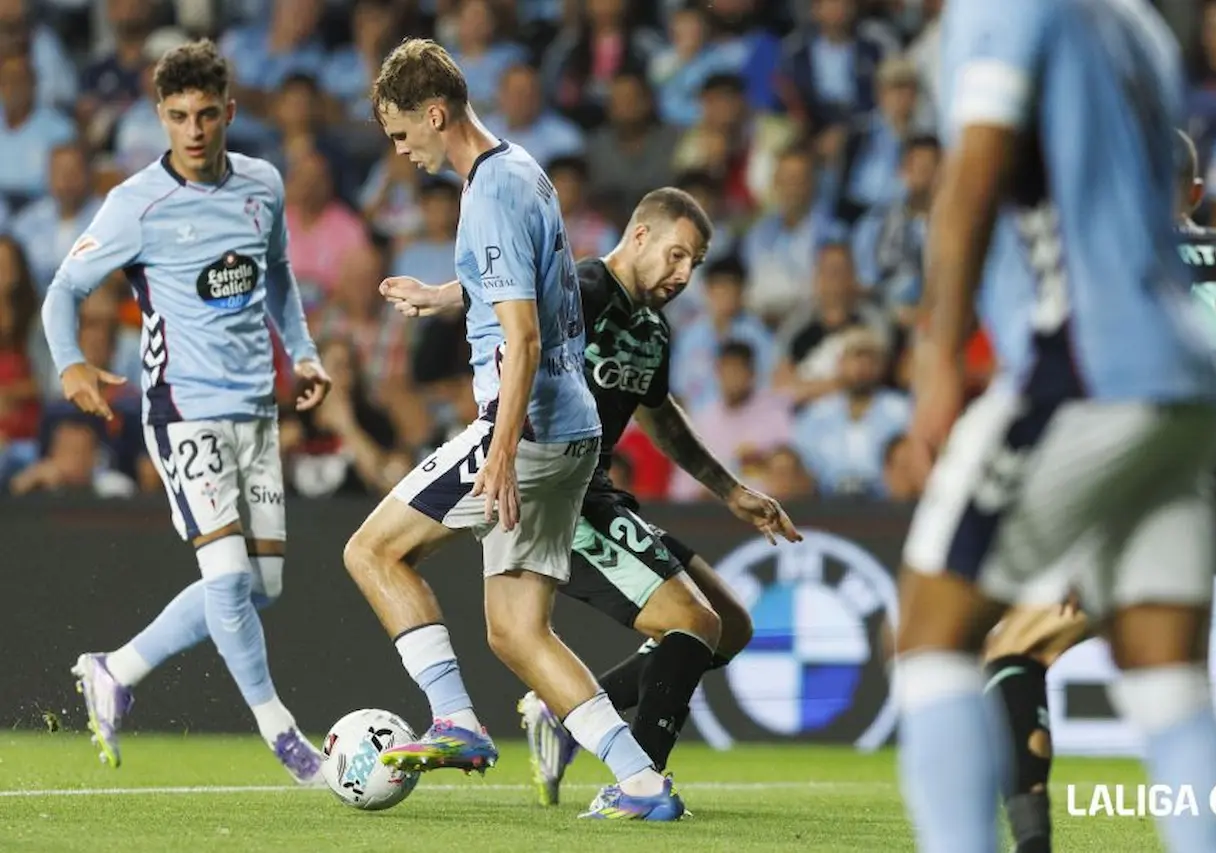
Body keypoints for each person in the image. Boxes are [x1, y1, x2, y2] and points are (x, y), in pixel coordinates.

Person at [896, 3, 1216, 852]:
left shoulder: (1004, 8)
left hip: (1080, 364)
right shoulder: (1137, 24)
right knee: (1168, 679)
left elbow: (976, 170)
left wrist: (939, 352)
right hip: (1184, 379)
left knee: (930, 631)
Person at [340, 38, 683, 822]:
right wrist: (446, 293)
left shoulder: (487, 193)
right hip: (575, 434)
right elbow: (536, 284)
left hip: (524, 429)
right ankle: (642, 783)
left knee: (371, 550)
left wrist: (498, 452)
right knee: (519, 632)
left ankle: (457, 720)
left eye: (401, 134)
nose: (402, 152)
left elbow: (524, 338)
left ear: (435, 113)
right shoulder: (521, 168)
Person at [383, 187, 801, 806]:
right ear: (639, 236)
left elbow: (660, 417)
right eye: (677, 255)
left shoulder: (652, 328)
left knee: (730, 626)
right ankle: (640, 783)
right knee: (693, 623)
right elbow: (517, 302)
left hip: (601, 494)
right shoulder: (590, 287)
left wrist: (730, 490)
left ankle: (562, 717)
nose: (683, 274)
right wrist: (440, 295)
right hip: (561, 492)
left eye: (695, 264)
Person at [981, 129, 1216, 853]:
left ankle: (1031, 843)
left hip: (1175, 477)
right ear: (1198, 194)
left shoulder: (1113, 267)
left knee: (1011, 648)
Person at [42, 40, 331, 782]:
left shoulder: (263, 185)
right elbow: (63, 292)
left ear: (230, 112)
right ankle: (285, 735)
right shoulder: (137, 203)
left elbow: (276, 277)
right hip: (183, 411)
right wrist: (71, 361)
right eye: (178, 116)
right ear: (160, 118)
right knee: (229, 577)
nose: (195, 129)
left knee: (259, 589)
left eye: (207, 114)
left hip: (256, 417)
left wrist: (302, 352)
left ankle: (117, 668)